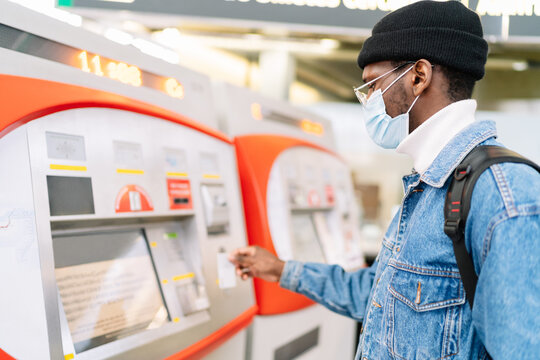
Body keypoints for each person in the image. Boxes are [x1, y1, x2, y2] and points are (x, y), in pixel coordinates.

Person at [229, 1, 540, 359]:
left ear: (418, 76)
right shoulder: (426, 186)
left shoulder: (503, 194)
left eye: (372, 86)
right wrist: (281, 269)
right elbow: (377, 295)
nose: (369, 102)